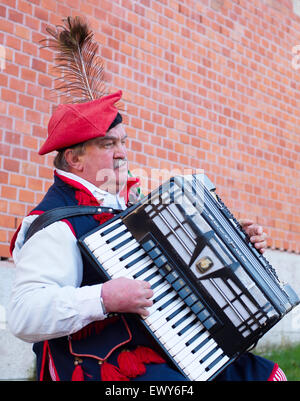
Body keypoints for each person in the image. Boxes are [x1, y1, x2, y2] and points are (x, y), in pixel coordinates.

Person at [7, 89, 287, 381]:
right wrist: (103, 298)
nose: (122, 152)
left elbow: (184, 259)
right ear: (74, 159)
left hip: (170, 342)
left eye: (123, 142)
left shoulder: (126, 202)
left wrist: (235, 242)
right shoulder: (55, 225)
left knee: (265, 376)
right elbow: (23, 314)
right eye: (108, 144)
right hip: (99, 363)